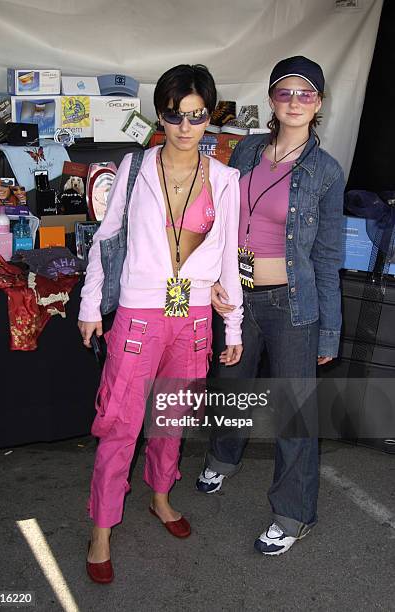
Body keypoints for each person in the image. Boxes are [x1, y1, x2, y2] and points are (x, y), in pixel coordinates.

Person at [78, 64, 243, 583]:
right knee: (121, 423)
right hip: (139, 313)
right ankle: (102, 528)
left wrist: (232, 327)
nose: (186, 126)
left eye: (197, 115)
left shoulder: (225, 177)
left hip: (193, 315)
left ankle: (161, 498)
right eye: (175, 115)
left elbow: (227, 253)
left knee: (171, 419)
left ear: (209, 116)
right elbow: (107, 240)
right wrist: (88, 305)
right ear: (161, 116)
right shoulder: (133, 168)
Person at [196, 56, 345, 556]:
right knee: (232, 387)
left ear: (319, 103)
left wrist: (329, 331)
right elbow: (220, 220)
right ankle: (223, 457)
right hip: (236, 297)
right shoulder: (245, 151)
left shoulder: (325, 171)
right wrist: (214, 279)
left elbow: (327, 255)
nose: (296, 102)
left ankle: (293, 513)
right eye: (286, 93)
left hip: (291, 304)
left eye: (307, 94)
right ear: (272, 100)